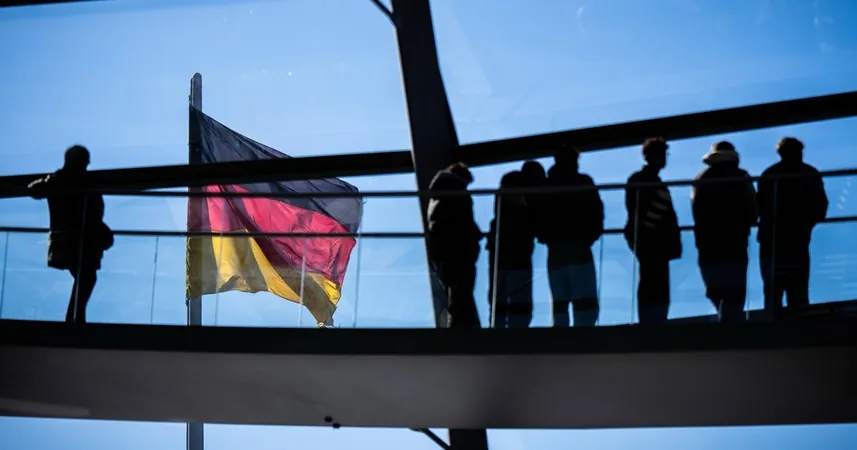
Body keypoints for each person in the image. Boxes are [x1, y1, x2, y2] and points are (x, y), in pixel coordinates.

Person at [29, 145, 114, 324]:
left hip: (71, 241)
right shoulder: (70, 182)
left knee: (86, 277)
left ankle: (74, 318)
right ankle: (74, 319)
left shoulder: (59, 181)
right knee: (87, 277)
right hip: (75, 241)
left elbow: (35, 190)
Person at [756, 137, 828, 318]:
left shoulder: (770, 174)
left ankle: (774, 327)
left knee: (772, 293)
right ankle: (799, 325)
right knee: (798, 293)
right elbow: (821, 207)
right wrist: (806, 223)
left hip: (772, 241)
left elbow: (759, 206)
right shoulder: (809, 173)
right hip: (797, 241)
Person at [691, 141, 757, 323]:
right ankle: (732, 321)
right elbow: (753, 212)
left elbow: (697, 211)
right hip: (736, 240)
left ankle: (725, 319)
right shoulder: (742, 177)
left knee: (715, 288)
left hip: (707, 241)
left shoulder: (702, 178)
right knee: (735, 288)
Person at [538, 146, 603, 327]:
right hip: (579, 245)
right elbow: (596, 211)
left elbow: (538, 216)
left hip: (556, 248)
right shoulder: (583, 182)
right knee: (584, 298)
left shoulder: (546, 186)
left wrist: (546, 236)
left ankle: (561, 333)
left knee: (560, 299)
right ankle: (584, 333)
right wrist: (590, 235)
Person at [624, 138, 681, 325]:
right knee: (654, 285)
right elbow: (640, 212)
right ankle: (653, 323)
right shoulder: (645, 181)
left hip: (653, 242)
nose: (664, 158)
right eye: (661, 153)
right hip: (653, 242)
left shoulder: (644, 180)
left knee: (654, 284)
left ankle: (652, 322)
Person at [486, 161, 544, 328]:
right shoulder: (526, 197)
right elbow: (534, 221)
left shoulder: (506, 192)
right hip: (520, 253)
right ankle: (517, 331)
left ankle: (497, 328)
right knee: (520, 300)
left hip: (500, 251)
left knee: (499, 297)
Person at [427, 162, 483, 328]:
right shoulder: (458, 194)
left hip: (445, 253)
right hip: (459, 252)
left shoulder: (438, 196)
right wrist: (475, 236)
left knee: (456, 292)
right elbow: (463, 222)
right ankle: (459, 329)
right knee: (462, 292)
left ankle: (458, 327)